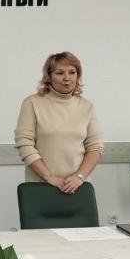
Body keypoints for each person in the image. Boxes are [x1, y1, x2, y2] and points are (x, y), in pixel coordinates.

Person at [14, 51, 104, 193]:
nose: (67, 78)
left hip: (77, 187)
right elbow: (25, 144)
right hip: (41, 185)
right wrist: (50, 178)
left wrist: (79, 177)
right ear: (48, 76)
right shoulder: (32, 103)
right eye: (60, 73)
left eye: (72, 72)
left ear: (78, 76)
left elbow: (95, 147)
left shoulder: (87, 106)